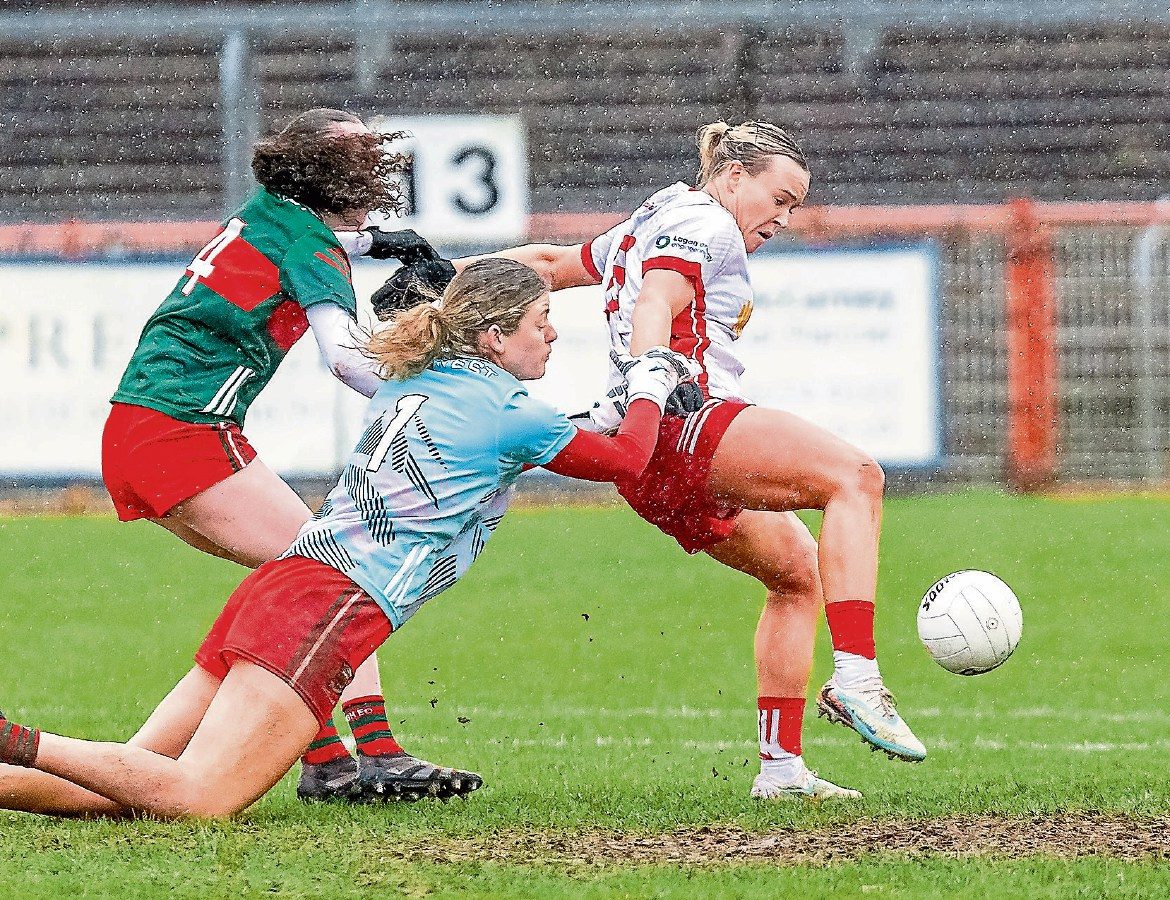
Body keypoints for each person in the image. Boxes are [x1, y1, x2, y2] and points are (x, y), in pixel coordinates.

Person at [0, 258, 692, 819]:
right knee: (199, 797)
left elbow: (532, 435)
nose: (553, 335)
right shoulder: (509, 411)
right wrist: (649, 382)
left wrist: (621, 403)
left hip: (289, 580)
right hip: (332, 603)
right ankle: (14, 740)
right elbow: (626, 459)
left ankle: (16, 754)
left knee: (128, 787)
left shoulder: (420, 380)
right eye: (543, 322)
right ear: (492, 337)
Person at [389, 120, 926, 801]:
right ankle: (857, 679)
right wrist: (654, 375)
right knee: (856, 478)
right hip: (682, 425)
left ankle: (782, 772)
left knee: (796, 575)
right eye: (779, 198)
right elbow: (657, 299)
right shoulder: (708, 223)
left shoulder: (655, 215)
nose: (784, 218)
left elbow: (552, 266)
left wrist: (444, 277)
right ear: (734, 176)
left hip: (647, 466)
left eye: (794, 206)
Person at [99, 107, 475, 802]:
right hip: (183, 432)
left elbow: (308, 237)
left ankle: (329, 758)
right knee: (339, 570)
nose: (374, 167)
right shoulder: (312, 247)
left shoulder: (270, 212)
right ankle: (374, 752)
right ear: (338, 175)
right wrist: (428, 390)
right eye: (362, 157)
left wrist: (381, 243)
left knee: (300, 578)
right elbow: (345, 358)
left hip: (145, 431)